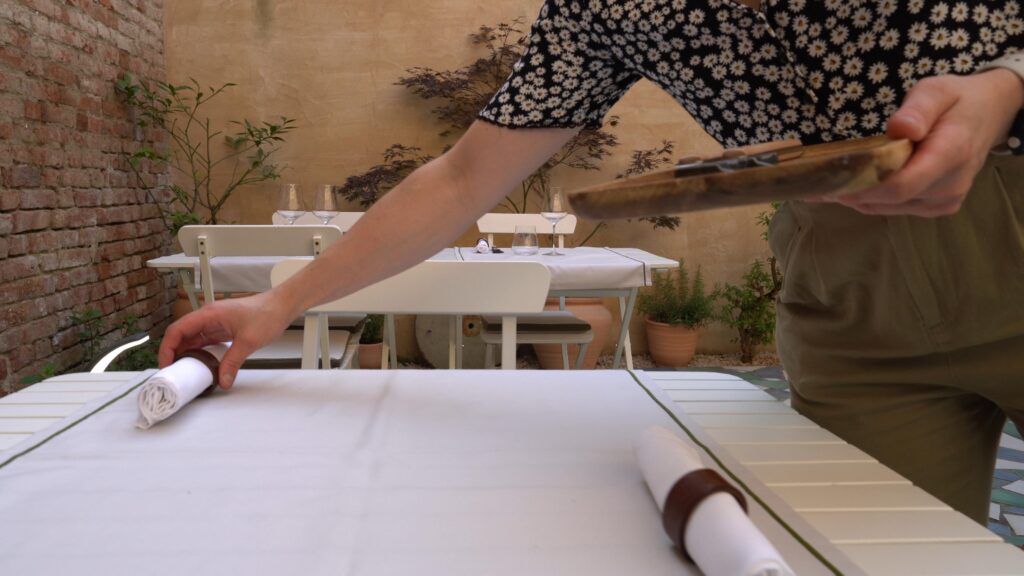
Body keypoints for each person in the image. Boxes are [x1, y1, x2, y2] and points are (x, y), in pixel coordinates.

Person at [160, 0, 1024, 523]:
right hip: (850, 292)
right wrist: (278, 305)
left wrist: (1002, 88)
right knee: (876, 548)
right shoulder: (603, 9)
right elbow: (462, 177)